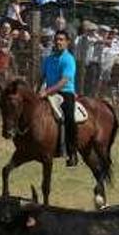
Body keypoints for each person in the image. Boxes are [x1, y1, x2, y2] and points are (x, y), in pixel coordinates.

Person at [39, 31, 78, 167]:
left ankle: (72, 152)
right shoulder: (48, 59)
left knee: (69, 118)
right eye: (56, 40)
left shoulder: (68, 59)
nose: (58, 42)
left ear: (67, 42)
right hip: (49, 93)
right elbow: (41, 77)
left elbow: (64, 81)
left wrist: (46, 92)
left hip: (65, 93)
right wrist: (35, 92)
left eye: (61, 40)